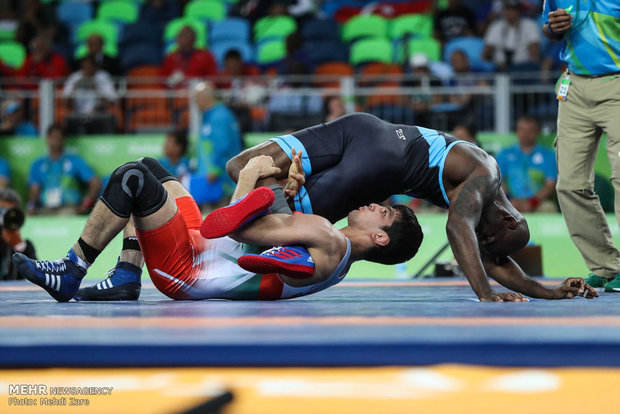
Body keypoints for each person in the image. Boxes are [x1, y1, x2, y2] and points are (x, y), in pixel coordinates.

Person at [227, 112, 598, 302]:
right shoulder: (485, 178)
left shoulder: (488, 199)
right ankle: (260, 226)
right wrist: (484, 294)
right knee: (278, 229)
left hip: (364, 129)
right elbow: (459, 231)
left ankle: (280, 188)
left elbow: (494, 259)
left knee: (241, 166)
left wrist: (549, 291)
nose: (482, 238)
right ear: (507, 218)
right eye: (489, 236)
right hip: (380, 163)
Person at [12, 154, 424, 302]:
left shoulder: (329, 237)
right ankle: (125, 275)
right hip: (205, 253)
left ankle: (72, 269)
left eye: (383, 212)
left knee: (132, 178)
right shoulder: (336, 257)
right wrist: (280, 189)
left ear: (380, 238)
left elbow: (231, 231)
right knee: (154, 170)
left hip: (188, 268)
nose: (375, 205)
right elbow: (260, 240)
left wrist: (251, 179)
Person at [542, 1, 620, 292]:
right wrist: (552, 28)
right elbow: (548, 28)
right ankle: (605, 267)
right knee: (570, 184)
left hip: (616, 83)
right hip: (574, 88)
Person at [27, 124, 101, 215]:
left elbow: (95, 183)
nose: (56, 140)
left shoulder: (75, 161)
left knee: (67, 214)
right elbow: (34, 191)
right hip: (45, 207)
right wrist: (31, 207)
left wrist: (86, 204)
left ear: (64, 140)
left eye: (59, 137)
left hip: (69, 207)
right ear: (47, 139)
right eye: (53, 137)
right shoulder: (37, 164)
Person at [496, 116, 557, 213]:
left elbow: (550, 184)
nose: (525, 134)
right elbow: (499, 180)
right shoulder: (504, 154)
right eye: (522, 130)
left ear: (538, 132)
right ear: (516, 131)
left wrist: (532, 202)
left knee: (549, 208)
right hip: (509, 201)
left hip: (538, 203)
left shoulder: (549, 155)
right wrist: (509, 200)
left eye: (530, 131)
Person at [194, 81, 242, 199]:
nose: (195, 103)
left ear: (205, 98)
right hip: (215, 178)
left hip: (221, 179)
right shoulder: (212, 116)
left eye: (196, 99)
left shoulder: (218, 116)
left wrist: (214, 169)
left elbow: (222, 145)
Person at [482, 0, 540, 72]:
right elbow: (486, 52)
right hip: (499, 66)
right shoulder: (495, 26)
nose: (510, 13)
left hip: (522, 66)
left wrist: (534, 67)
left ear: (519, 12)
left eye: (513, 10)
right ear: (504, 11)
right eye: (508, 10)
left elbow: (535, 52)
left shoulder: (530, 25)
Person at [0, 188, 36, 281]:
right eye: (2, 211)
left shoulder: (26, 246)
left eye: (11, 212)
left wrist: (18, 246)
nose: (6, 217)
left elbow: (34, 276)